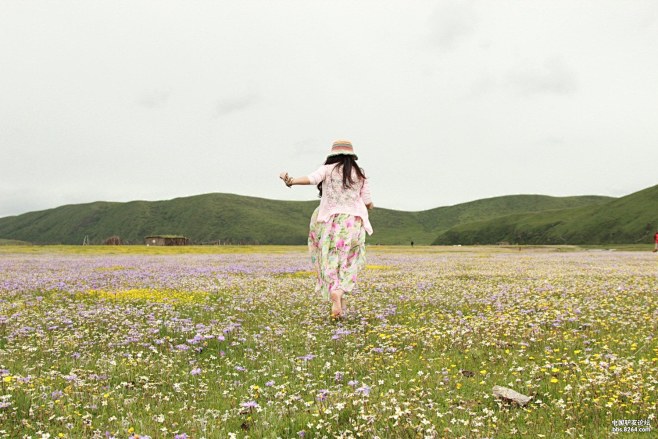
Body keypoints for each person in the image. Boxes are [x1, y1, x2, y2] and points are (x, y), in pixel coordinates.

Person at [280, 139, 374, 318]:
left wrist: (291, 181)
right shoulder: (360, 173)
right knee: (348, 260)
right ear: (351, 156)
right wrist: (369, 205)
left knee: (330, 259)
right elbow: (367, 201)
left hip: (330, 223)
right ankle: (340, 292)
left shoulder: (327, 169)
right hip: (353, 224)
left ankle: (334, 290)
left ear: (333, 155)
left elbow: (311, 179)